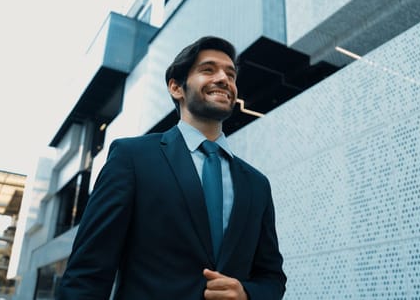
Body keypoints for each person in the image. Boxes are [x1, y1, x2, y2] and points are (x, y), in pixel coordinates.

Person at [57, 36, 286, 300]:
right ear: (176, 88)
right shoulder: (132, 158)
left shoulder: (256, 183)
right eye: (208, 70)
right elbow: (87, 273)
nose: (224, 79)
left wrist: (247, 293)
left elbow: (272, 277)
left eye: (231, 74)